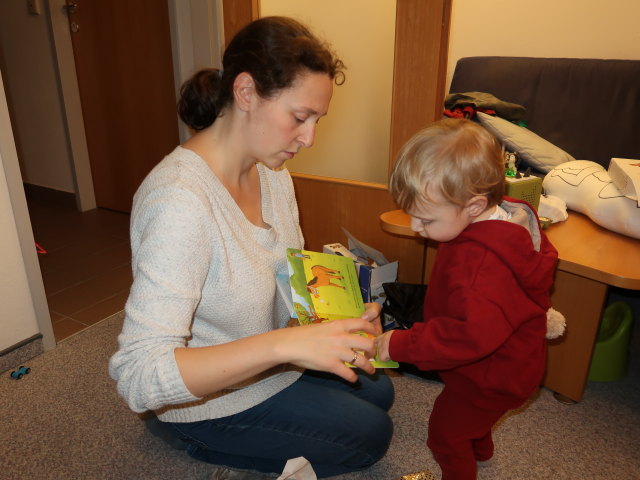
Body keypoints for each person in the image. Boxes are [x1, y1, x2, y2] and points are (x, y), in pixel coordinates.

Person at [109, 16, 393, 478]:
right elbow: (138, 375)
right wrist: (287, 344)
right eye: (299, 118)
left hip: (268, 362)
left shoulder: (273, 173)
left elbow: (289, 276)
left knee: (378, 390)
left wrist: (341, 314)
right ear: (245, 93)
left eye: (318, 120)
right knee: (369, 435)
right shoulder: (178, 202)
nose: (309, 138)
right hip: (203, 395)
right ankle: (188, 435)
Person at [376, 118, 558, 480]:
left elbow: (465, 335)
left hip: (490, 375)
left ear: (474, 206)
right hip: (509, 363)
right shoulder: (508, 216)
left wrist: (399, 344)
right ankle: (482, 448)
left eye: (425, 219)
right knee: (473, 420)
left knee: (445, 436)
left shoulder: (480, 271)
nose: (415, 228)